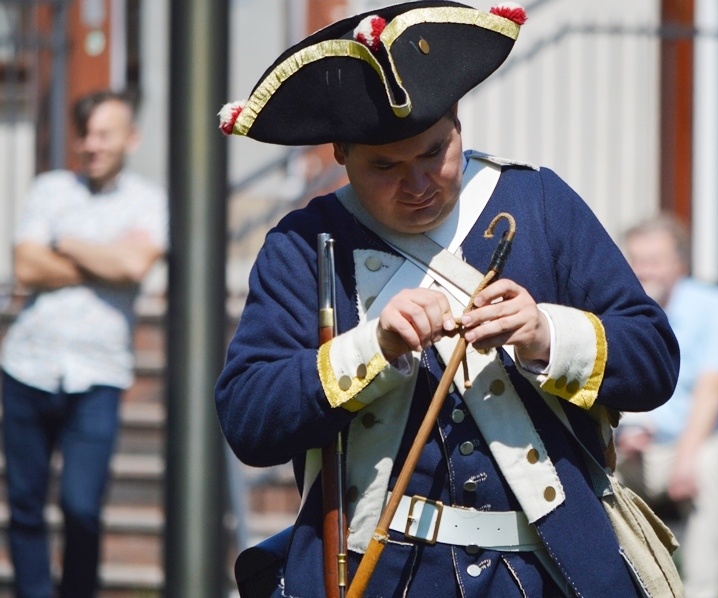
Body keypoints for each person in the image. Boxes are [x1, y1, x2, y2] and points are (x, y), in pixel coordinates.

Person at [215, 2, 681, 597]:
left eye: (434, 152)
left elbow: (655, 359)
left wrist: (546, 335)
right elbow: (249, 418)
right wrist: (372, 348)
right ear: (340, 153)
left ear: (458, 121)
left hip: (546, 572)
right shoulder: (303, 245)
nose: (417, 184)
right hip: (380, 575)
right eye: (386, 165)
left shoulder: (540, 203)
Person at [0, 89, 168, 597]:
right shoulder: (51, 189)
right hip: (27, 366)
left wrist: (66, 243)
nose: (90, 144)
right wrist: (106, 260)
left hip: (98, 373)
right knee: (25, 505)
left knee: (82, 506)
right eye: (85, 134)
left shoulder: (149, 200)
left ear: (130, 139)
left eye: (103, 134)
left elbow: (135, 265)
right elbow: (27, 266)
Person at [616, 213, 718, 598]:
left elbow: (713, 389)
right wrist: (625, 432)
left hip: (712, 442)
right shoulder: (620, 309)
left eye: (654, 260)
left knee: (708, 465)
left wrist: (687, 457)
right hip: (645, 452)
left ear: (681, 265)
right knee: (592, 466)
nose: (643, 270)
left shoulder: (716, 306)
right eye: (635, 260)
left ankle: (700, 592)